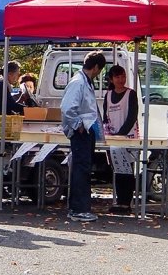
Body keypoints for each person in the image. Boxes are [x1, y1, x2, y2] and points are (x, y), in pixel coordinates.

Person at [61, 50, 107, 223]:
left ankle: (79, 207)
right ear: (95, 67)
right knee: (81, 169)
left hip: (86, 130)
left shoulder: (84, 81)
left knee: (83, 169)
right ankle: (79, 209)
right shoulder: (78, 82)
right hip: (81, 132)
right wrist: (78, 125)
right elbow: (67, 108)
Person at [103, 64, 138, 214]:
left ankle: (126, 202)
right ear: (111, 79)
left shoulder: (131, 94)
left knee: (128, 168)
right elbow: (105, 116)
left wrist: (121, 134)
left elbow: (132, 116)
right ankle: (119, 201)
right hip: (113, 138)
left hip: (128, 137)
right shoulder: (108, 95)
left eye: (123, 76)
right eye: (117, 77)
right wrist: (109, 132)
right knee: (117, 168)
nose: (121, 79)